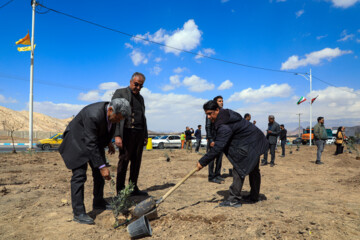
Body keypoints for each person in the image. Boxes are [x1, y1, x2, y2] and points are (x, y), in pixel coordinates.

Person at [59, 98, 131, 225]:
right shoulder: (93, 114)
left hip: (92, 142)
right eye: (118, 118)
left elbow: (105, 128)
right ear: (110, 110)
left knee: (98, 175)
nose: (118, 121)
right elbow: (90, 142)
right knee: (79, 176)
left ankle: (98, 202)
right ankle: (78, 213)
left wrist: (109, 142)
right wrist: (102, 166)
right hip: (76, 142)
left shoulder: (112, 115)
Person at [196, 100, 268, 207]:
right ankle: (254, 196)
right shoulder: (226, 114)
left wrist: (202, 162)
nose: (209, 117)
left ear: (217, 110)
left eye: (210, 113)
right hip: (255, 141)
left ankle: (234, 199)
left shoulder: (224, 124)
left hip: (250, 143)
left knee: (239, 168)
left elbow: (217, 148)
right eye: (206, 114)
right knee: (253, 170)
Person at [112, 72, 149, 195]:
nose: (138, 88)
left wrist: (145, 135)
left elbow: (143, 117)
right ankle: (120, 190)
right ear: (131, 81)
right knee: (124, 161)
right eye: (136, 84)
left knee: (136, 162)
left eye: (141, 86)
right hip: (126, 133)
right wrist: (117, 135)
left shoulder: (141, 98)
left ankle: (133, 188)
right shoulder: (120, 93)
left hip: (139, 133)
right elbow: (114, 114)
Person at [207, 96, 224, 184]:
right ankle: (211, 176)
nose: (222, 102)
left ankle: (217, 175)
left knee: (219, 159)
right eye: (219, 101)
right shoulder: (210, 113)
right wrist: (210, 140)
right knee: (211, 159)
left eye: (222, 101)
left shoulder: (222, 113)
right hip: (213, 140)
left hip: (220, 140)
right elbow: (208, 127)